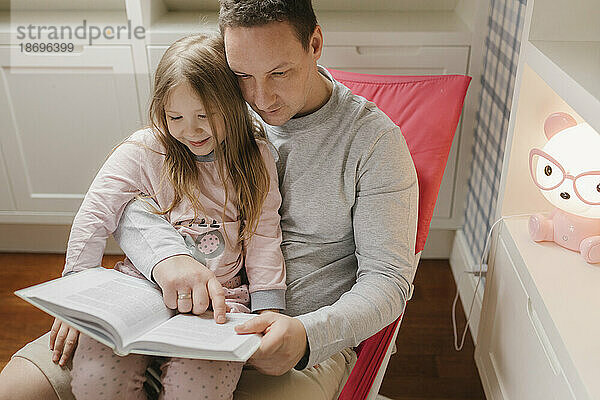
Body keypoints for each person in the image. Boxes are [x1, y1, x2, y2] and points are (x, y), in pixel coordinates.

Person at [0, 1, 419, 399]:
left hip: (280, 341)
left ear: (314, 44)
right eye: (243, 75)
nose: (259, 98)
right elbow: (132, 192)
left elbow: (388, 282)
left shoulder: (375, 143)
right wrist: (166, 259)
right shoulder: (212, 105)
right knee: (15, 389)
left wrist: (308, 335)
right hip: (157, 305)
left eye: (280, 72)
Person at [2, 33, 286, 400]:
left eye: (204, 115)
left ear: (232, 105)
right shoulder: (143, 151)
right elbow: (94, 216)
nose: (191, 130)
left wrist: (268, 311)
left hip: (219, 299)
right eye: (175, 117)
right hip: (138, 290)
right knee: (96, 379)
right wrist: (75, 297)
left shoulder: (255, 157)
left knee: (197, 390)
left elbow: (264, 237)